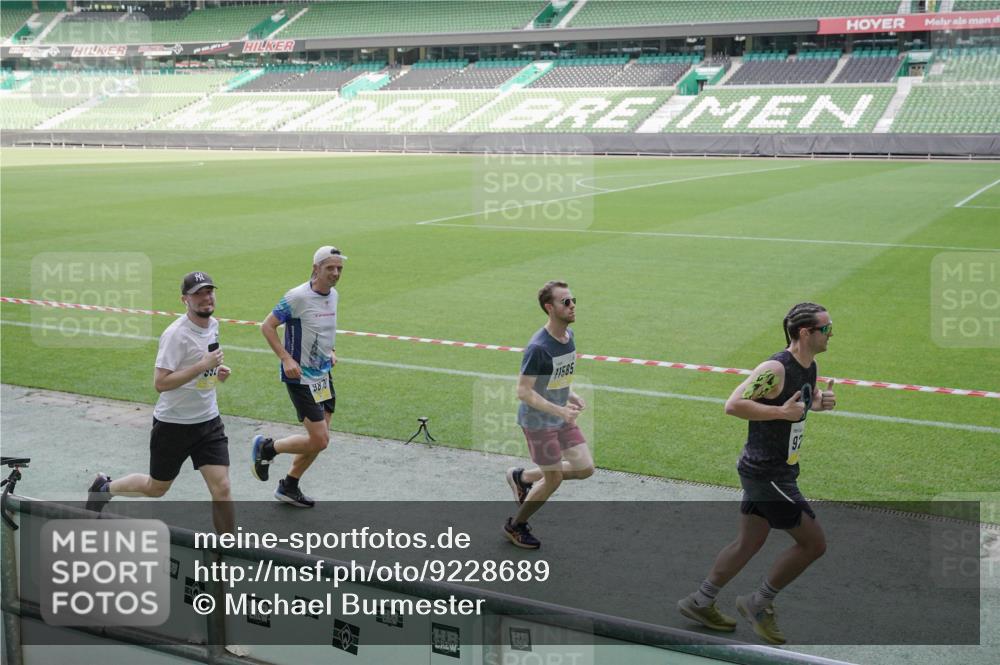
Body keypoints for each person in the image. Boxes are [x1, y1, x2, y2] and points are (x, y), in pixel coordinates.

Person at [677, 302, 837, 645]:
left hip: (775, 470)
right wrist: (781, 411)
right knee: (814, 543)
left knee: (749, 541)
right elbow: (733, 404)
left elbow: (797, 405)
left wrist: (818, 403)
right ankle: (759, 603)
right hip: (768, 474)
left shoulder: (810, 365)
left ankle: (700, 601)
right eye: (825, 328)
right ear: (805, 332)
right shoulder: (775, 368)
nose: (831, 334)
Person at [86, 272, 233, 533]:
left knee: (222, 489)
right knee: (157, 488)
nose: (206, 297)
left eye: (209, 291)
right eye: (198, 293)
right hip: (173, 425)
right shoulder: (175, 335)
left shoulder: (213, 325)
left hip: (209, 421)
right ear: (184, 300)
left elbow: (202, 367)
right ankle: (104, 488)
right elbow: (161, 383)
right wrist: (202, 366)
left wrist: (215, 372)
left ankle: (224, 555)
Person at [251, 246, 345, 508]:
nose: (335, 273)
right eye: (330, 268)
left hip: (323, 376)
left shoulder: (333, 295)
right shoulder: (297, 297)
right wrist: (286, 358)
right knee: (320, 440)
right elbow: (267, 326)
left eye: (339, 268)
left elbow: (324, 329)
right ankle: (268, 448)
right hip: (300, 377)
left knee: (320, 438)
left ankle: (289, 486)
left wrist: (331, 350)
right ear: (316, 269)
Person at [504, 280, 594, 549]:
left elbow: (556, 377)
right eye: (566, 302)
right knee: (553, 478)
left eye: (573, 300)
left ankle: (524, 477)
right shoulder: (538, 347)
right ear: (549, 307)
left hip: (560, 416)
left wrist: (570, 394)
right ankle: (515, 526)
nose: (573, 305)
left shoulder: (568, 338)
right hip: (538, 422)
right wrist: (559, 409)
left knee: (584, 468)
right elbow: (524, 391)